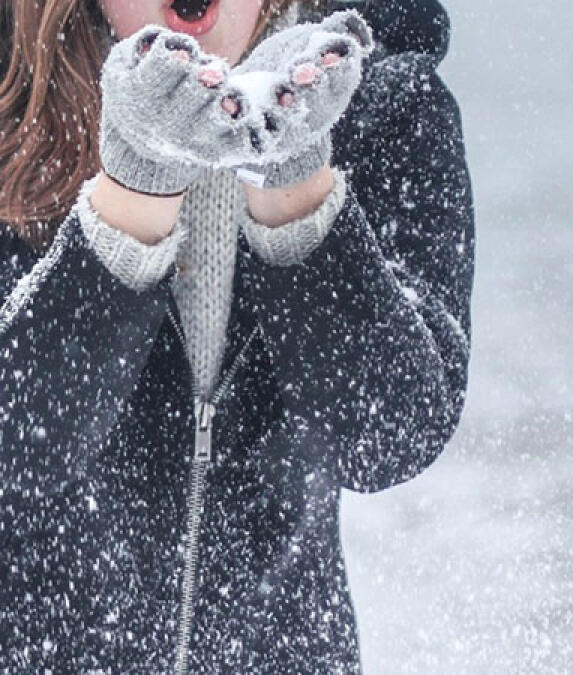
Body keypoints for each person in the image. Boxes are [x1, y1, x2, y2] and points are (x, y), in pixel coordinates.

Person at [0, 0, 474, 671]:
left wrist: (297, 187)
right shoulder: (8, 96)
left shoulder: (385, 103)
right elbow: (14, 452)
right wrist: (133, 194)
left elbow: (389, 437)